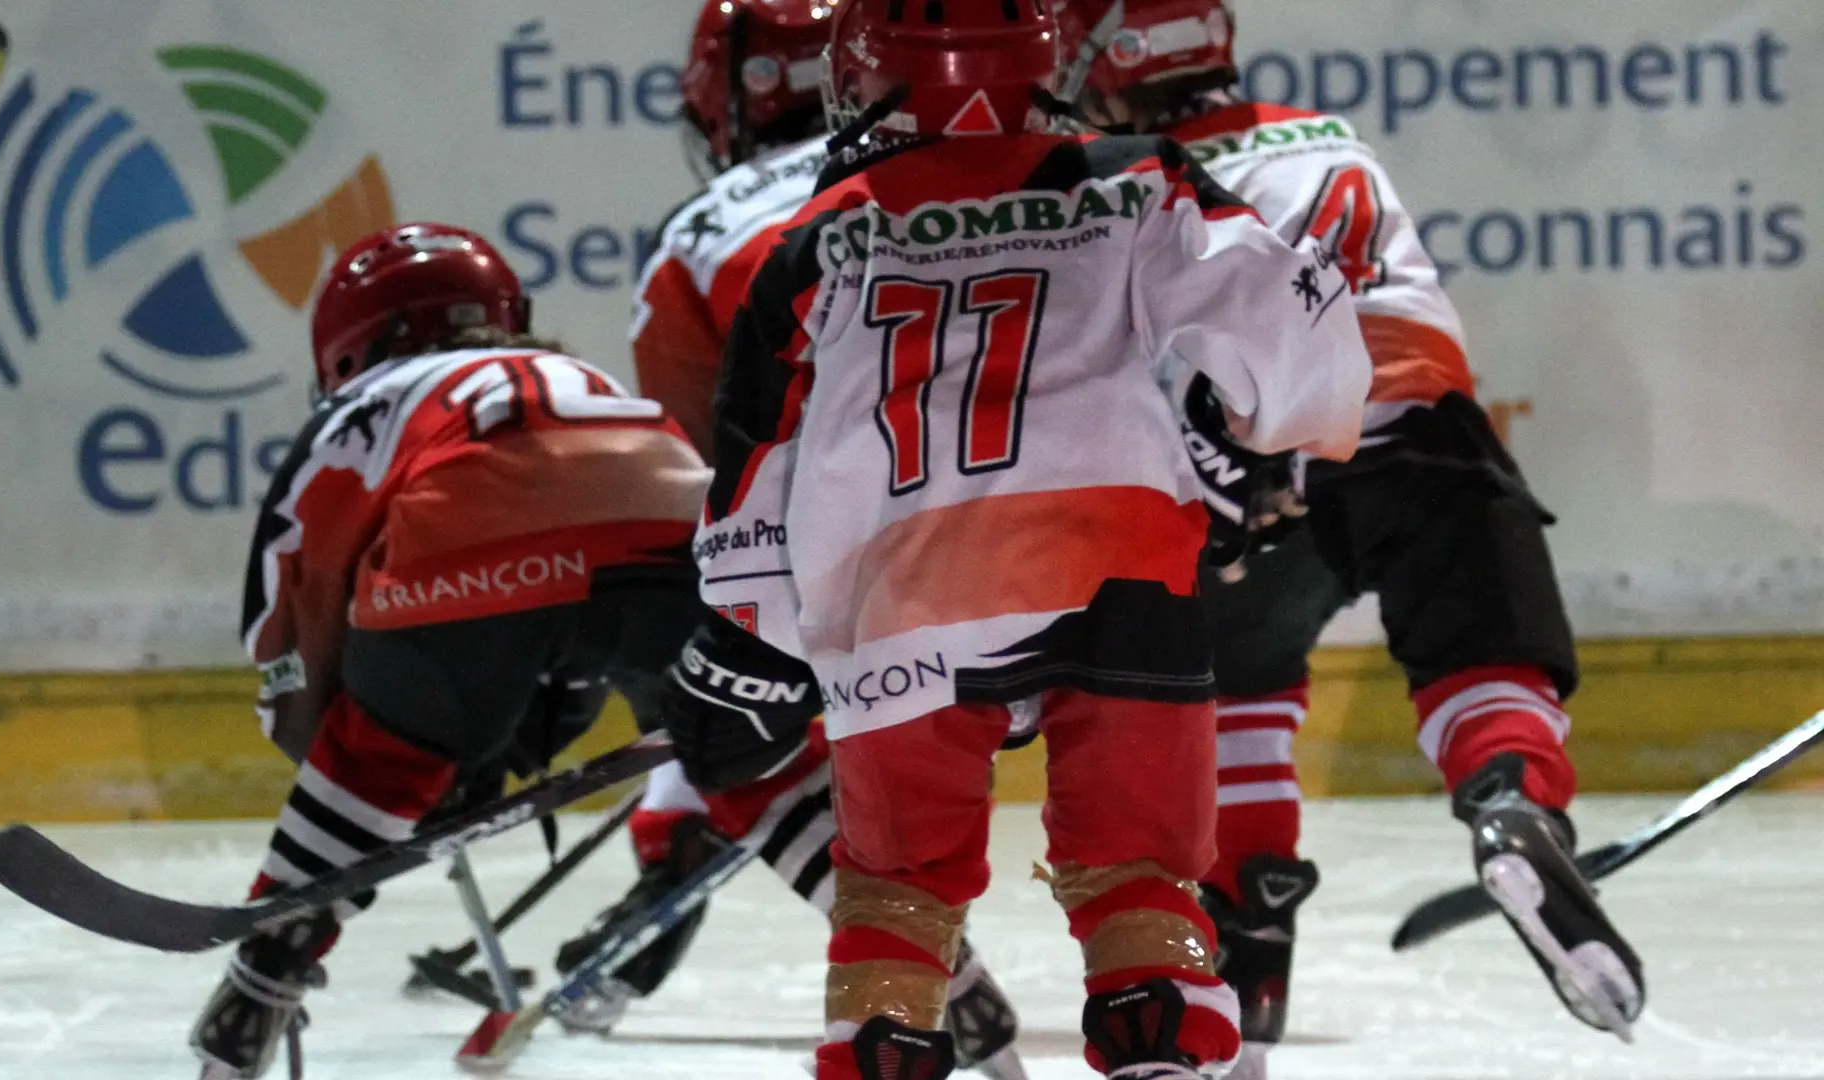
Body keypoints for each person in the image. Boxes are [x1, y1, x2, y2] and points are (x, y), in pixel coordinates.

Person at [672, 0, 1373, 1075]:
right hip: (1121, 568)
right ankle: (1166, 1051)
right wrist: (1281, 444)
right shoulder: (1137, 173)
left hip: (897, 597)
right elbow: (1297, 327)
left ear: (864, 81)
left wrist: (756, 641)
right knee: (1141, 875)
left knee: (897, 889)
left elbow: (757, 466)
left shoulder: (821, 232)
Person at [1054, 0, 1647, 1068]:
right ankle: (1514, 806)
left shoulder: (1118, 168)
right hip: (1426, 422)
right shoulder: (1329, 134)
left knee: (1233, 663)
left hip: (1248, 449)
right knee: (1480, 641)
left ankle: (1249, 924)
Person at [565, 4, 1029, 1074]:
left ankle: (905, 961)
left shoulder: (699, 234)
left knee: (745, 725)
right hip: (1054, 552)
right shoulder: (974, 162)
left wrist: (705, 734)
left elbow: (706, 487)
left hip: (860, 567)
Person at [189, 223, 713, 1080]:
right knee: (751, 757)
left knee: (380, 753)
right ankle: (929, 969)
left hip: (473, 569)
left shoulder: (371, 400)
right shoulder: (579, 374)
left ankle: (260, 979)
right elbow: (597, 541)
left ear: (352, 347)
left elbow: (291, 590)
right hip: (676, 546)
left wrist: (343, 746)